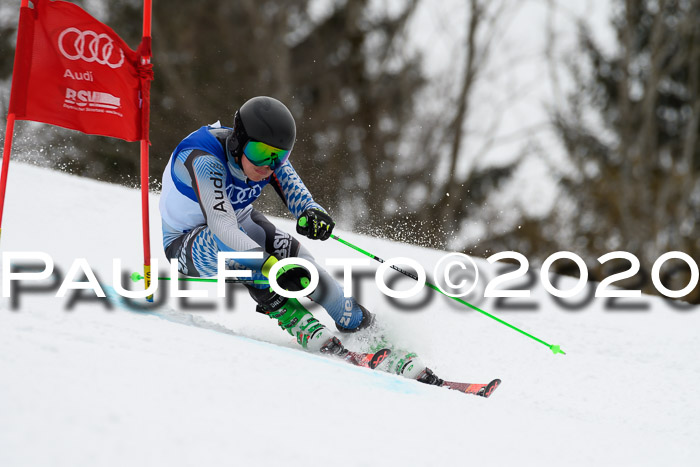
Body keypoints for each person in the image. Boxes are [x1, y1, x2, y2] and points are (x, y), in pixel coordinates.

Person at [159, 96, 442, 384]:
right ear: (238, 142)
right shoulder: (204, 159)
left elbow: (301, 198)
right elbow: (222, 228)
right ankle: (295, 317)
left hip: (240, 224)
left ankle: (364, 329)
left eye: (278, 156)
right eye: (259, 152)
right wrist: (273, 268)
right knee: (249, 256)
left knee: (305, 267)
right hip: (186, 246)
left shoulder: (268, 160)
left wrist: (313, 215)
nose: (268, 165)